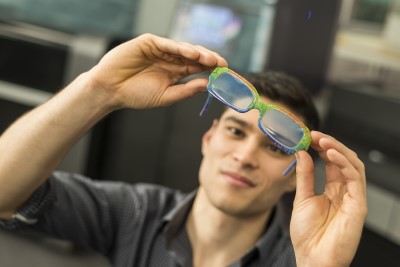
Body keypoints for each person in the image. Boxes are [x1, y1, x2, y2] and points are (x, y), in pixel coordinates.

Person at [0, 33, 367, 267]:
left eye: (274, 147)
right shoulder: (137, 214)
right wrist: (97, 90)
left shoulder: (303, 260)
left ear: (295, 178)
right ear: (208, 139)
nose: (244, 157)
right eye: (236, 131)